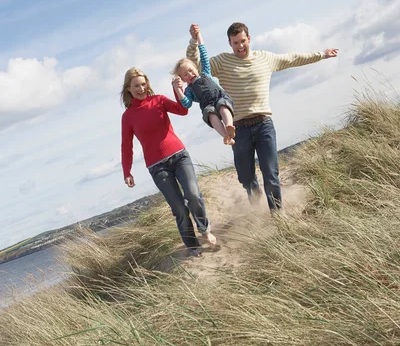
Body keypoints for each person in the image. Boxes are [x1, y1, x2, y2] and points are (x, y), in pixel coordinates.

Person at [186, 22, 338, 212]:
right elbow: (195, 66)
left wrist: (321, 55)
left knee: (271, 175)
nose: (240, 46)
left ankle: (277, 216)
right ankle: (256, 211)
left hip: (264, 124)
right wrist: (194, 41)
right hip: (238, 129)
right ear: (230, 44)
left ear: (249, 38)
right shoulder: (222, 62)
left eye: (243, 41)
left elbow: (292, 58)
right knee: (247, 179)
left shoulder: (265, 58)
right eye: (235, 43)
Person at [120, 67, 216, 257]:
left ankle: (204, 229)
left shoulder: (159, 100)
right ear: (128, 89)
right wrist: (127, 172)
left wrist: (176, 89)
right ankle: (193, 247)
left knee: (193, 195)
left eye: (143, 84)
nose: (141, 88)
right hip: (157, 167)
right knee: (179, 208)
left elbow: (182, 110)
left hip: (179, 155)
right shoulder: (128, 117)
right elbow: (126, 147)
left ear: (147, 84)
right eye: (136, 86)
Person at [171, 29, 235, 145]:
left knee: (222, 106)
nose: (190, 75)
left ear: (196, 68)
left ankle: (229, 125)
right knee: (210, 114)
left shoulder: (205, 73)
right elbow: (186, 103)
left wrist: (199, 36)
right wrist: (177, 89)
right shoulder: (189, 90)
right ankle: (225, 136)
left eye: (191, 71)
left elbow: (204, 54)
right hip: (207, 104)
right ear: (183, 79)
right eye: (185, 74)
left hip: (219, 97)